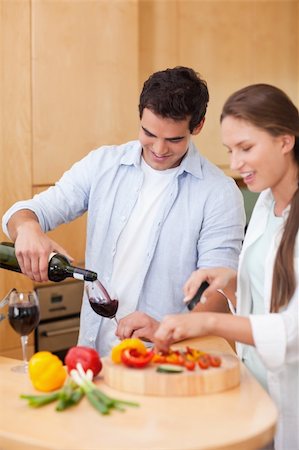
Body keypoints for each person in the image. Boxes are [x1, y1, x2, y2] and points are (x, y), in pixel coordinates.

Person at [2, 66, 245, 357]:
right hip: (93, 356)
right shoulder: (103, 165)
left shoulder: (219, 193)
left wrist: (170, 328)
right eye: (148, 132)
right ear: (140, 114)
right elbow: (29, 211)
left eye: (174, 139)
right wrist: (28, 229)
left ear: (198, 125)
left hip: (166, 359)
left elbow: (219, 291)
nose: (158, 148)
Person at [153, 84, 299, 450]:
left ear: (285, 141)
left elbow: (291, 331)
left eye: (246, 148)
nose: (235, 164)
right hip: (257, 401)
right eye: (230, 151)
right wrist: (232, 284)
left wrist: (206, 321)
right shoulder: (266, 204)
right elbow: (266, 304)